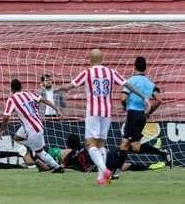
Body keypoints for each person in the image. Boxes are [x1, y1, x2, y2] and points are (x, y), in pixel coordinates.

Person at [55, 49, 150, 185]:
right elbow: (128, 85)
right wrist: (144, 97)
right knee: (101, 144)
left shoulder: (87, 72)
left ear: (90, 59)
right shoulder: (111, 72)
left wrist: (57, 89)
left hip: (93, 112)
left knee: (90, 144)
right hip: (107, 112)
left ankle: (105, 170)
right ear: (102, 59)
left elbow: (70, 86)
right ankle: (101, 178)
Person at [114, 56, 173, 179]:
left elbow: (123, 98)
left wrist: (125, 106)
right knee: (135, 146)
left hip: (133, 115)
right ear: (145, 68)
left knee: (124, 144)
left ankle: (116, 172)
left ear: (134, 66)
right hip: (141, 116)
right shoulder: (149, 83)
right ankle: (162, 153)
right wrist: (149, 111)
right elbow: (159, 100)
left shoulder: (130, 81)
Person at [0, 78, 64, 173]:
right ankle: (35, 147)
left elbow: (6, 117)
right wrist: (57, 109)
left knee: (40, 153)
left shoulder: (11, 99)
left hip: (33, 129)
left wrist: (2, 130)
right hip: (35, 125)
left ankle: (57, 167)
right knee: (17, 138)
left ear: (11, 89)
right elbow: (45, 100)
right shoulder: (30, 94)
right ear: (21, 87)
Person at [22, 134, 166, 173]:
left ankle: (152, 160)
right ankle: (153, 154)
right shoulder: (83, 148)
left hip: (96, 165)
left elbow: (54, 168)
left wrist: (35, 160)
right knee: (124, 153)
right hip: (100, 158)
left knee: (125, 162)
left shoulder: (66, 157)